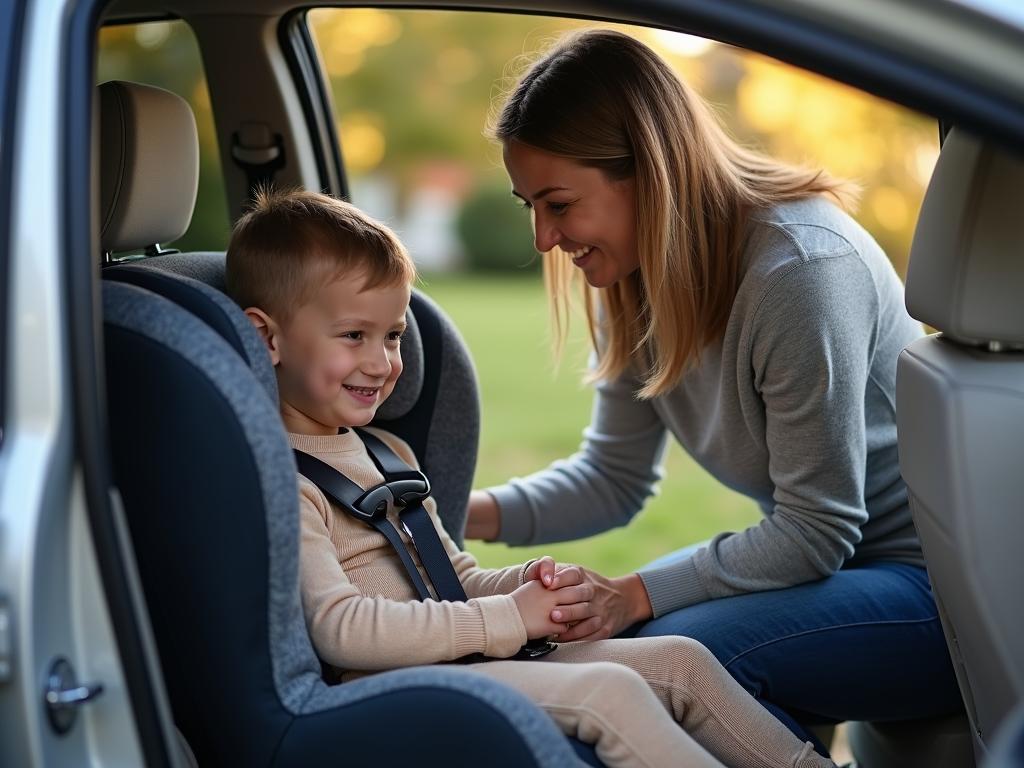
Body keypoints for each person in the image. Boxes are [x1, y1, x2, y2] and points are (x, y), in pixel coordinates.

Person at [225, 187, 837, 768]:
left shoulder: (386, 452)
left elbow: (451, 577)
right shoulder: (282, 478)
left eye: (392, 335)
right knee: (610, 693)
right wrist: (510, 618)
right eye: (354, 336)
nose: (382, 362)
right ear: (266, 337)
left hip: (459, 653)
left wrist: (528, 587)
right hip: (392, 685)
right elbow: (341, 630)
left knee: (682, 659)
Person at [466, 27, 963, 739]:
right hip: (836, 579)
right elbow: (612, 478)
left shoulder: (800, 271)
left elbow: (815, 530)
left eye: (559, 204)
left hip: (945, 592)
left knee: (672, 659)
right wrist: (448, 514)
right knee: (617, 650)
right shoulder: (635, 281)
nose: (544, 239)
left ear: (650, 172)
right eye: (530, 208)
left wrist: (632, 594)